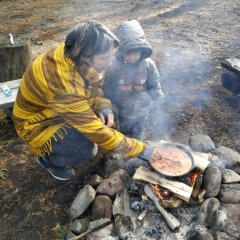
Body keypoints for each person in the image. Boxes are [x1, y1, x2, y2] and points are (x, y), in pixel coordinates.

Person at [12, 20, 163, 181]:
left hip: (59, 110)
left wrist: (103, 107)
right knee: (86, 150)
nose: (110, 62)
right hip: (37, 123)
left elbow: (93, 88)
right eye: (105, 58)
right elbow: (94, 130)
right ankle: (48, 160)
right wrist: (141, 150)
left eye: (111, 56)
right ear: (86, 55)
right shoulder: (62, 81)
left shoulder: (76, 52)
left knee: (99, 122)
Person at [102, 19, 164, 141]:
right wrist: (109, 104)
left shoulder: (148, 64)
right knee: (122, 134)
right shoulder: (114, 65)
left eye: (136, 53)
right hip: (121, 108)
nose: (132, 58)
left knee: (139, 131)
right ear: (121, 52)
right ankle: (123, 150)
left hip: (141, 108)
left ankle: (138, 145)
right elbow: (108, 86)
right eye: (128, 54)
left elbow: (154, 84)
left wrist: (159, 98)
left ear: (142, 51)